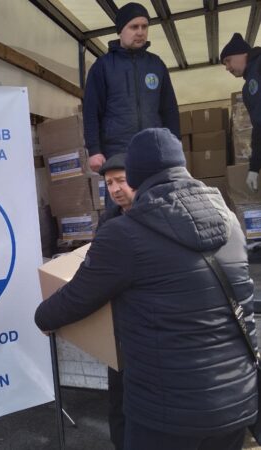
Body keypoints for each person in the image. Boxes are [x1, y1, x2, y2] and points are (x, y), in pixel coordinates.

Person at [35, 128, 257, 450]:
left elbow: (77, 297)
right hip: (237, 400)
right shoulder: (231, 221)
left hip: (167, 411)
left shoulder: (125, 233)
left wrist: (43, 317)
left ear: (136, 177)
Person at [83, 2, 180, 173]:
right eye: (134, 27)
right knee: (122, 191)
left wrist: (175, 144)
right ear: (121, 30)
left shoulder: (156, 64)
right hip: (117, 151)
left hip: (154, 149)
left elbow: (169, 110)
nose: (140, 32)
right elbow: (91, 111)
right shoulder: (103, 66)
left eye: (144, 26)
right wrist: (94, 150)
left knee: (156, 191)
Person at [97, 153, 135, 450]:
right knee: (118, 396)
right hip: (117, 324)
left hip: (147, 324)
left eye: (121, 180)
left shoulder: (155, 215)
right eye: (109, 183)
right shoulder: (108, 221)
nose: (115, 189)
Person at [220, 32, 261, 191]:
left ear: (242, 54)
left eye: (228, 61)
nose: (227, 68)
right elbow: (258, 128)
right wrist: (254, 167)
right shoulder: (246, 89)